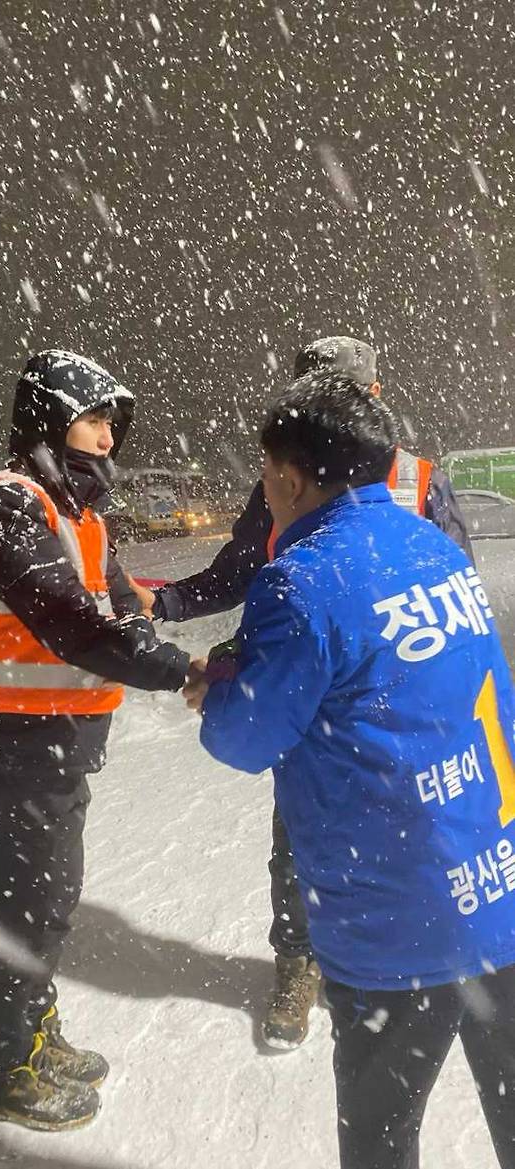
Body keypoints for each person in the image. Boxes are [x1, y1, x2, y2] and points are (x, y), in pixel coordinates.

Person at [188, 370, 515, 1169]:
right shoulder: (431, 544)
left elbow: (245, 737)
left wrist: (215, 689)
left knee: (380, 1133)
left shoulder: (303, 580)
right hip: (497, 886)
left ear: (290, 477)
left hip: (397, 920)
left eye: (266, 475)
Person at [136, 336, 472, 1050]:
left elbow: (452, 590)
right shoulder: (282, 480)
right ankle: (299, 962)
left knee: (425, 831)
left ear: (373, 396)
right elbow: (242, 572)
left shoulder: (418, 479)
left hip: (405, 699)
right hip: (318, 702)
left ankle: (422, 964)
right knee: (303, 837)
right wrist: (164, 603)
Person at [0, 350, 190, 1131]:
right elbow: (77, 624)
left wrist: (159, 643)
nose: (109, 439)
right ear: (47, 417)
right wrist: (187, 673)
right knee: (22, 906)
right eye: (93, 419)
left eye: (114, 423)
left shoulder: (81, 514)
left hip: (56, 741)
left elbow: (120, 612)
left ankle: (33, 1030)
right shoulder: (5, 505)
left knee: (48, 897)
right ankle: (9, 1065)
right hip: (1, 741)